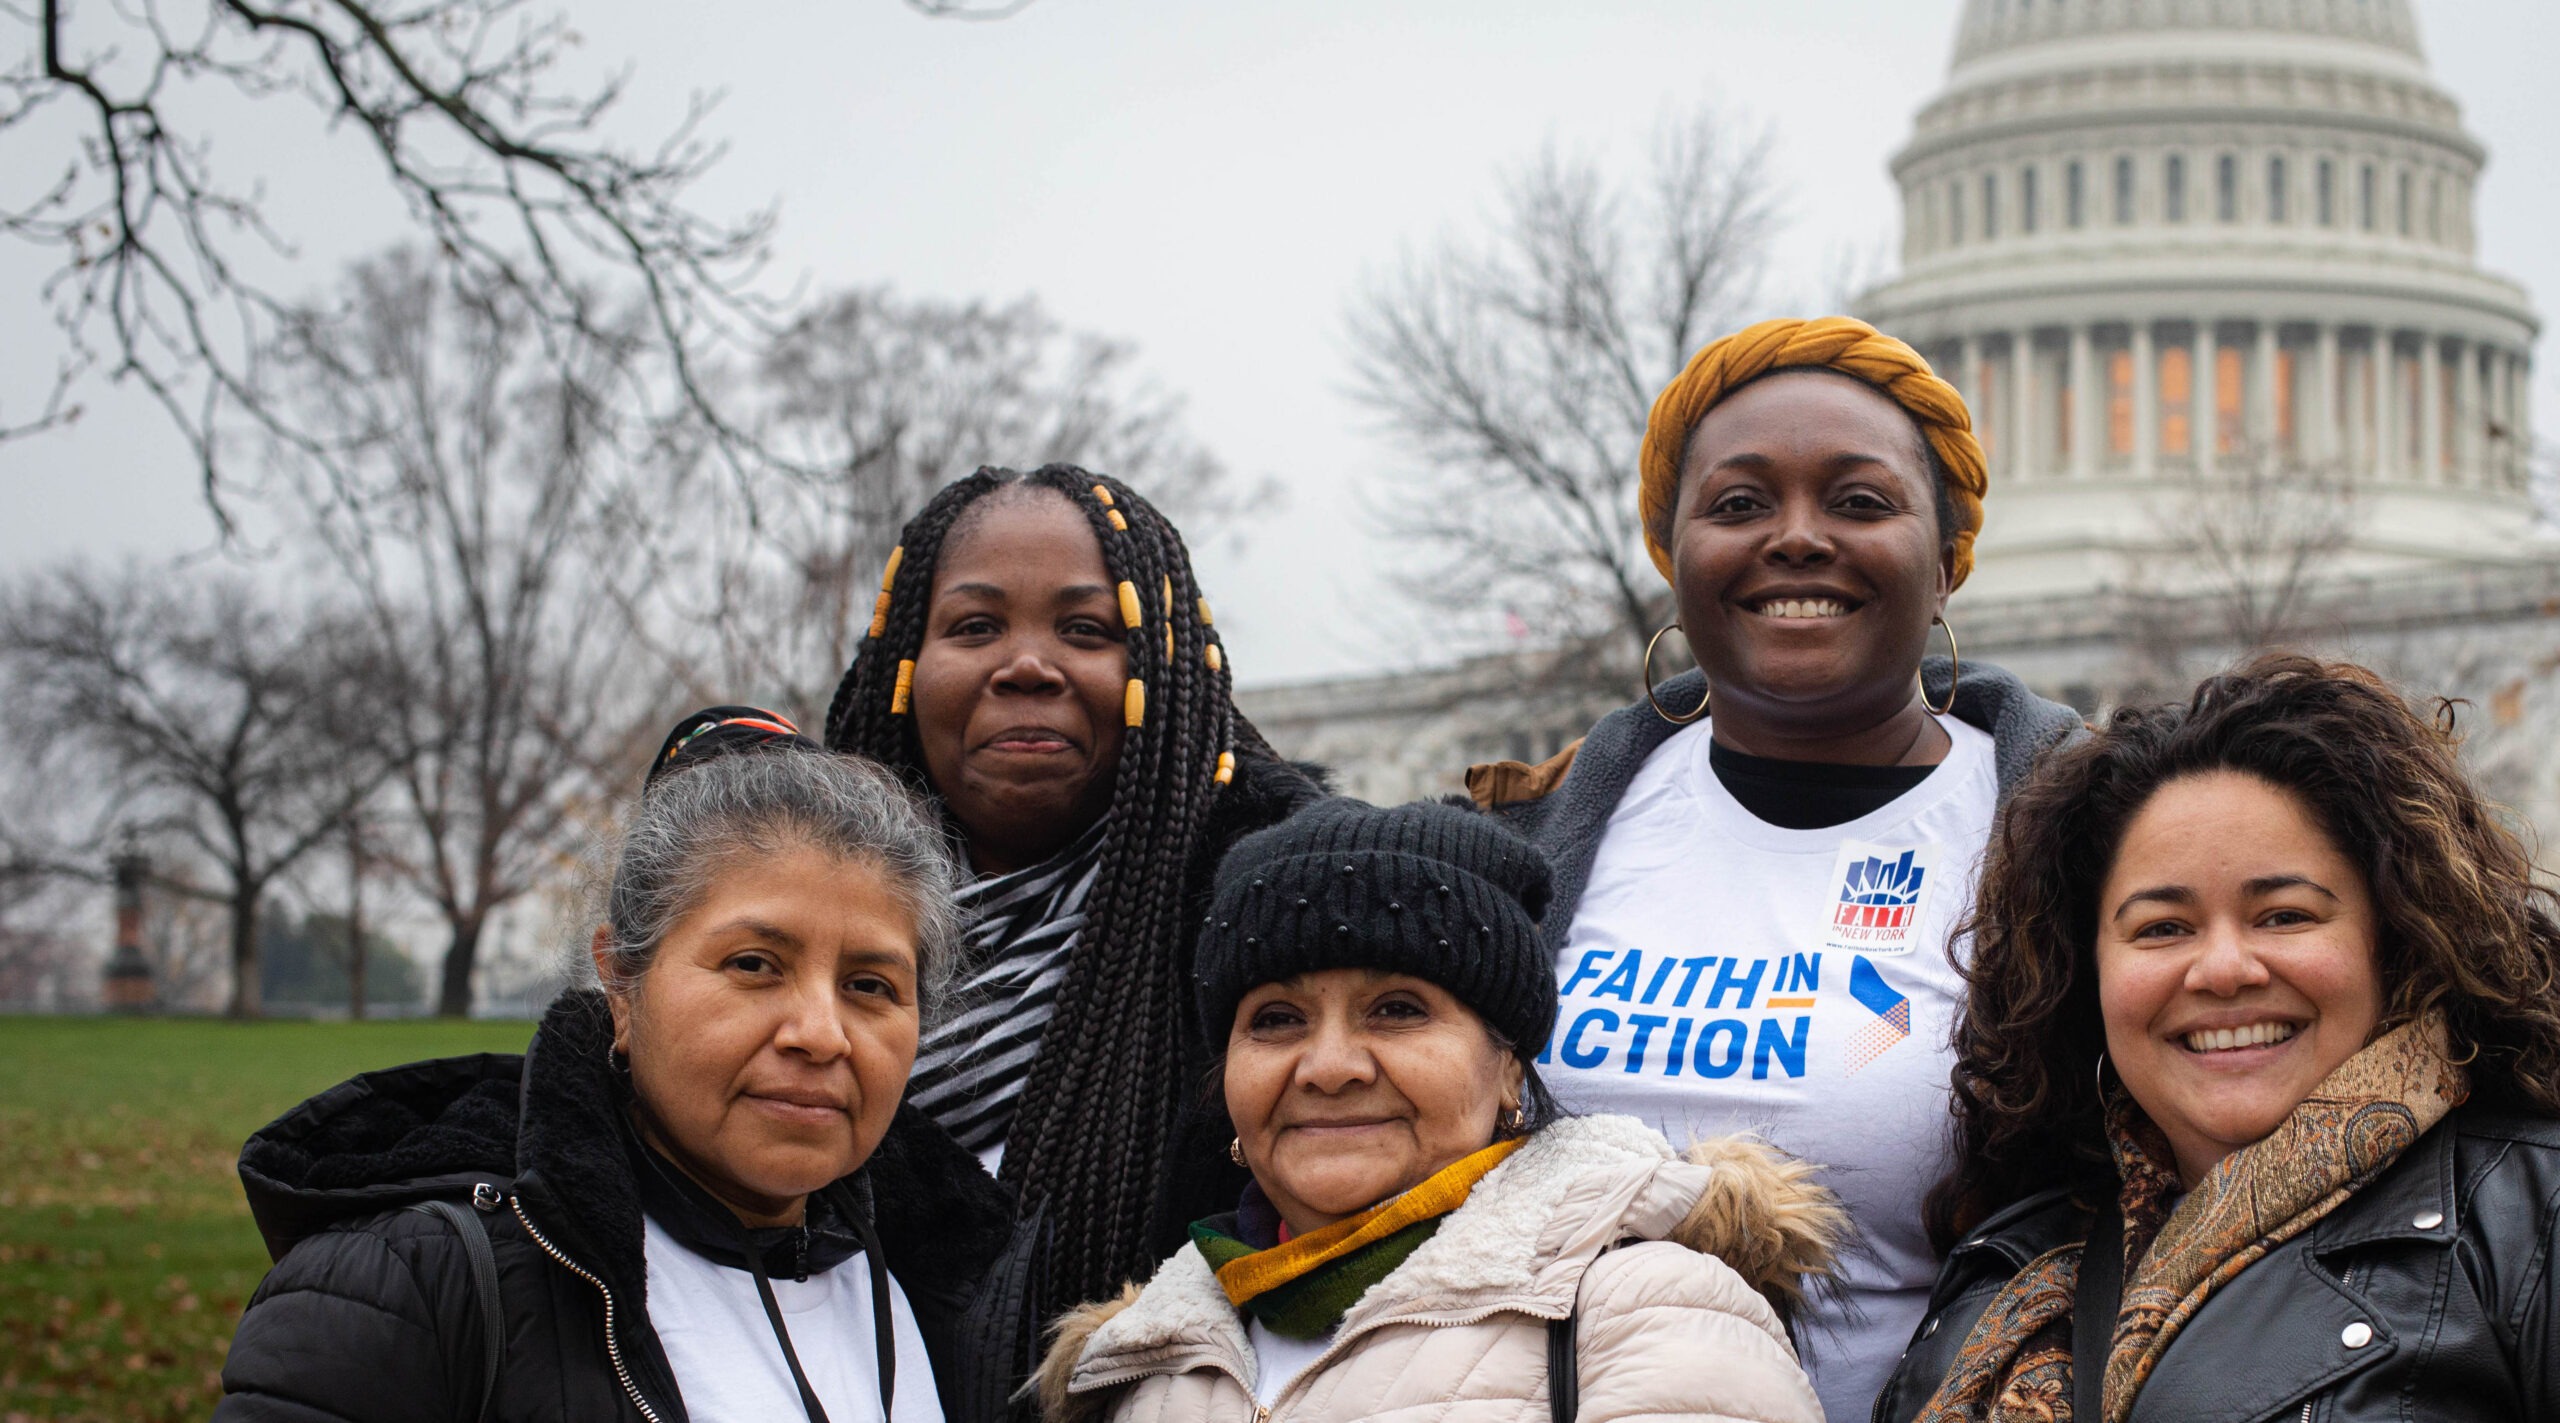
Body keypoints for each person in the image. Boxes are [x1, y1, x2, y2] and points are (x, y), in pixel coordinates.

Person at [1464, 315, 2083, 1419]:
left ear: (1944, 562)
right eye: (1739, 504)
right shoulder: (1530, 842)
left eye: (1858, 501)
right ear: (1676, 556)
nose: (1796, 539)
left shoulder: (2074, 835)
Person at [216, 708, 1019, 1422]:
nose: (820, 1032)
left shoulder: (957, 1291)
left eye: (870, 985)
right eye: (753, 964)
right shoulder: (414, 1291)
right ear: (622, 983)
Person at [1876, 655, 2560, 1423]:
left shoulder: (2530, 1221)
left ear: (2395, 937)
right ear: (2084, 970)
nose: (2224, 969)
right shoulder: (2004, 1262)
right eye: (2162, 928)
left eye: (2285, 915)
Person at [1037, 798, 1842, 1422]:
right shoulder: (1147, 1362)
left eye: (1396, 1009)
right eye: (1276, 1020)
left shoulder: (1644, 1311)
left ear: (1508, 1073)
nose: (1329, 1066)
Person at [824, 464, 1325, 1321]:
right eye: (975, 625)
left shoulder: (1282, 928)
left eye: (1086, 629)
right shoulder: (787, 913)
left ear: (1163, 668)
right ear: (906, 663)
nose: (1026, 666)